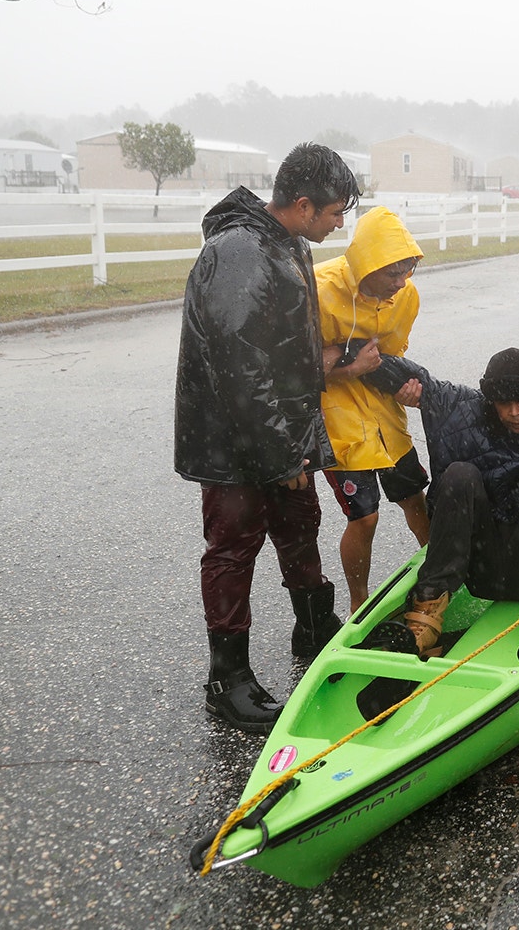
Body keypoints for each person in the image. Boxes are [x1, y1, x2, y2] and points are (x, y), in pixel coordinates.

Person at [173, 143, 360, 733]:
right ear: (303, 205)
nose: (339, 224)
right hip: (234, 441)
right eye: (334, 213)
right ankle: (227, 680)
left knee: (299, 524)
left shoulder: (287, 242)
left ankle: (313, 626)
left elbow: (281, 351)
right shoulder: (239, 252)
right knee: (233, 548)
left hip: (282, 430)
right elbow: (241, 365)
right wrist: (282, 454)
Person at [361, 348, 519, 653]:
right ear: (491, 401)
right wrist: (353, 358)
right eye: (505, 404)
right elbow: (419, 379)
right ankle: (428, 608)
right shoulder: (465, 410)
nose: (515, 412)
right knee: (459, 474)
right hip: (486, 571)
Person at [313, 206, 431, 616]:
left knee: (415, 496)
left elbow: (392, 356)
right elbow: (291, 371)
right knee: (364, 517)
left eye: (406, 271)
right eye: (391, 275)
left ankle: (441, 580)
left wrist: (406, 388)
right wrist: (349, 368)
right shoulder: (318, 289)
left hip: (384, 414)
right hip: (337, 415)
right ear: (366, 267)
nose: (400, 284)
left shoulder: (407, 295)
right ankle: (358, 602)